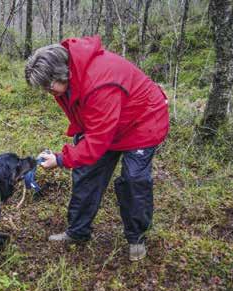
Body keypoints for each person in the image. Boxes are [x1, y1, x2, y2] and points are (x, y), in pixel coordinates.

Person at [25, 36, 169, 261]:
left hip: (142, 121)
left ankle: (136, 238)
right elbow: (88, 122)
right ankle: (78, 232)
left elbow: (98, 141)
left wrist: (61, 159)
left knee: (134, 181)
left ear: (61, 74)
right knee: (87, 173)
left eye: (48, 86)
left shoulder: (100, 83)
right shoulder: (68, 80)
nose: (47, 91)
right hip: (108, 121)